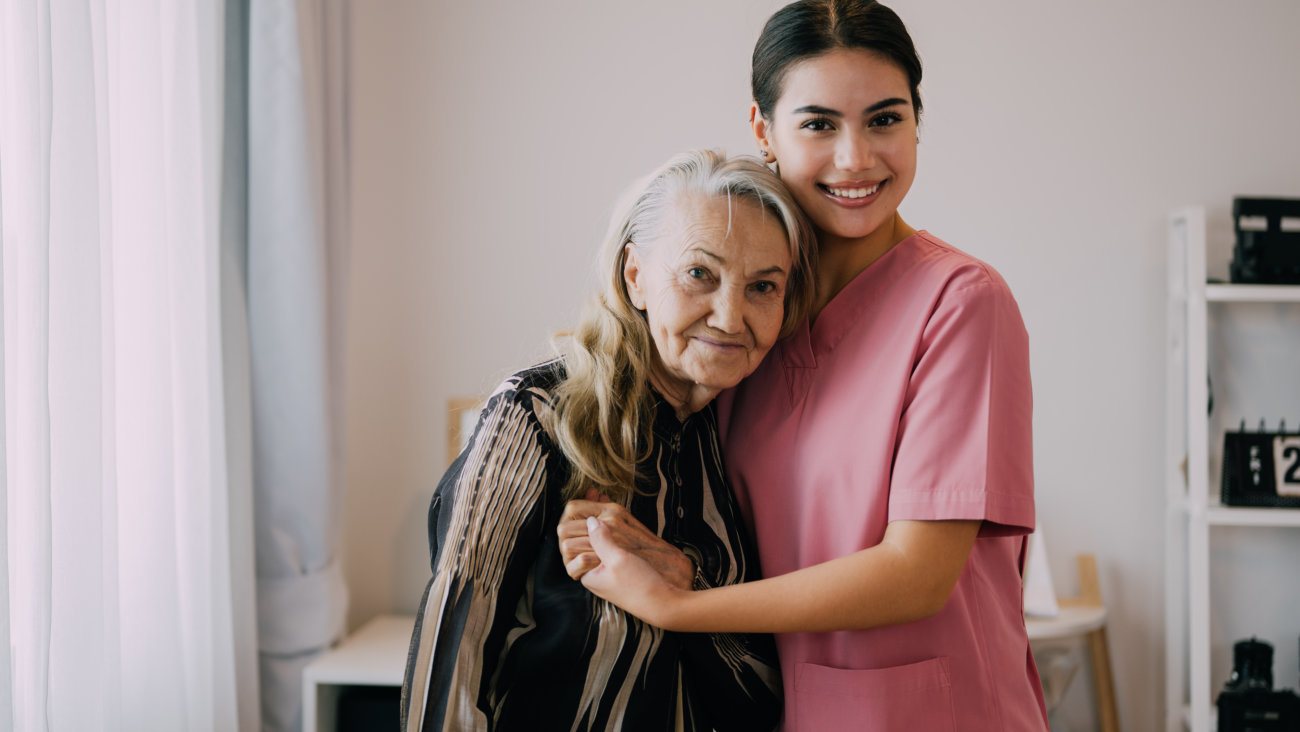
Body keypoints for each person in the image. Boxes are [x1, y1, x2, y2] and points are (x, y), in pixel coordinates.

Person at [558, 1, 1049, 729]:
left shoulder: (962, 304)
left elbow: (917, 575)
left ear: (917, 120)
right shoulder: (749, 313)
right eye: (819, 123)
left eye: (885, 119)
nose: (856, 158)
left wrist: (680, 606)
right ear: (764, 131)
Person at [399, 148, 818, 731]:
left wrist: (683, 581)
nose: (729, 316)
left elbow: (770, 682)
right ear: (636, 277)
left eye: (762, 287)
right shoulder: (537, 414)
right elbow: (449, 663)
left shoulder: (742, 436)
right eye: (700, 274)